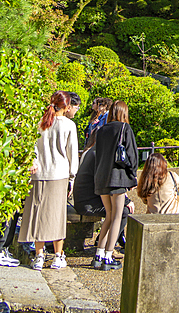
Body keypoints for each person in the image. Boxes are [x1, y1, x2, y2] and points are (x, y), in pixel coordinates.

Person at [18, 91, 79, 271]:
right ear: (67, 106)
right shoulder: (68, 125)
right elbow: (71, 154)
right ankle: (58, 256)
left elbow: (32, 149)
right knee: (57, 215)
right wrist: (72, 177)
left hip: (38, 174)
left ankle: (39, 255)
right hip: (59, 174)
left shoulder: (41, 123)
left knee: (38, 215)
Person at [93, 99, 138, 270]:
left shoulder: (102, 129)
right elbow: (132, 156)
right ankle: (108, 255)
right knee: (117, 216)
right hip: (117, 177)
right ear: (124, 113)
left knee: (109, 216)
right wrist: (132, 177)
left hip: (101, 177)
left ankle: (99, 253)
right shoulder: (125, 128)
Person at [72, 130, 133, 243]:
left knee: (119, 208)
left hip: (85, 200)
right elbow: (107, 183)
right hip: (88, 205)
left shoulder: (93, 152)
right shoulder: (98, 155)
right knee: (124, 211)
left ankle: (107, 239)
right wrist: (126, 201)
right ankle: (107, 243)